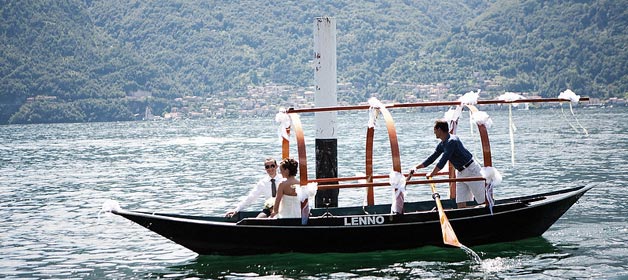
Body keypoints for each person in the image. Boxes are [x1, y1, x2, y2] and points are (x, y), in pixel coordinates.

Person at [412, 120, 486, 208]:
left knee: (483, 201)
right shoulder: (442, 144)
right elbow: (432, 158)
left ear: (439, 129)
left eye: (434, 129)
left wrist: (432, 174)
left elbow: (443, 161)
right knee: (460, 203)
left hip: (471, 170)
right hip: (460, 172)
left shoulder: (452, 141)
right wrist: (416, 167)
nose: (434, 132)